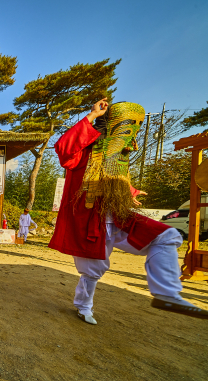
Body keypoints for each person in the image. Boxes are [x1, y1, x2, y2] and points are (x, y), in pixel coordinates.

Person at [49, 99, 208, 323]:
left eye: (135, 127)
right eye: (126, 126)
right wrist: (92, 116)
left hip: (119, 216)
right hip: (90, 220)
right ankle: (84, 307)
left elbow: (115, 181)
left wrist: (131, 191)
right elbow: (64, 149)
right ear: (113, 126)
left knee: (167, 236)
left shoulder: (120, 158)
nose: (131, 133)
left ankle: (167, 294)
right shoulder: (87, 150)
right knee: (93, 270)